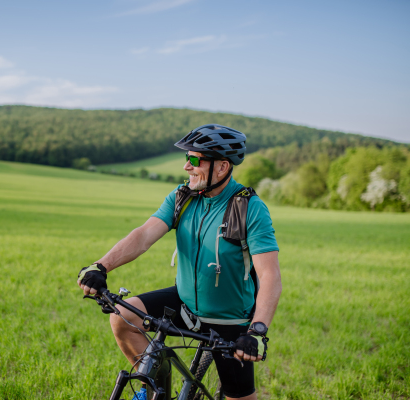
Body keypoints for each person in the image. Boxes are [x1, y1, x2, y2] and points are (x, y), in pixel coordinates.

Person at [78, 124, 282, 400]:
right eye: (187, 158)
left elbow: (269, 275)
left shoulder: (248, 208)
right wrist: (101, 266)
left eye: (195, 160)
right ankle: (157, 390)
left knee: (241, 397)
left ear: (222, 167)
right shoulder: (182, 198)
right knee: (122, 318)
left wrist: (257, 331)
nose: (187, 166)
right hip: (185, 305)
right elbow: (143, 236)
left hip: (231, 321)